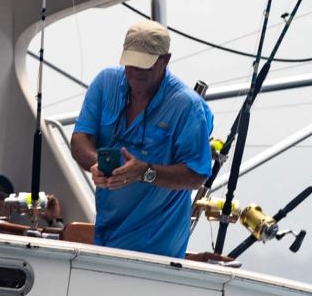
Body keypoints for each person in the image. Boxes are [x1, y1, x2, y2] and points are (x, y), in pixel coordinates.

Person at [70, 20, 212, 258]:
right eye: (130, 64)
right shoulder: (105, 83)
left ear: (165, 60)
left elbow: (196, 175)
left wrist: (144, 172)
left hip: (157, 244)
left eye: (144, 66)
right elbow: (80, 139)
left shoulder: (188, 106)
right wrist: (95, 164)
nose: (135, 72)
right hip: (107, 232)